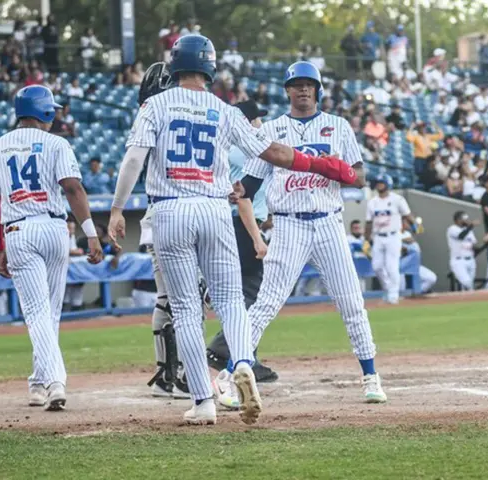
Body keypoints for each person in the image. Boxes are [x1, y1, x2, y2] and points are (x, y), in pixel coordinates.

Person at [107, 39, 354, 426]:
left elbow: (134, 158)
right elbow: (274, 153)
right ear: (210, 68)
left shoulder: (155, 105)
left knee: (187, 309)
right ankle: (241, 363)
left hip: (169, 209)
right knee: (231, 301)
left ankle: (203, 402)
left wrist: (118, 209)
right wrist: (320, 165)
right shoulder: (224, 110)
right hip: (214, 209)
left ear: (174, 66)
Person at [215, 60, 384, 410]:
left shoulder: (337, 126)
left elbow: (361, 176)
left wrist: (343, 173)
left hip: (328, 222)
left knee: (351, 301)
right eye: (297, 85)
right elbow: (250, 183)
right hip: (289, 223)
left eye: (309, 84)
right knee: (266, 304)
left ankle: (370, 376)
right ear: (287, 90)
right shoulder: (274, 128)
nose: (303, 90)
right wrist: (232, 190)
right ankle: (229, 375)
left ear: (318, 90)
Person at [0, 85, 104, 411]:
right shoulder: (57, 143)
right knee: (50, 312)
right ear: (45, 111)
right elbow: (73, 189)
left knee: (37, 314)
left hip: (18, 229)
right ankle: (40, 382)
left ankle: (53, 381)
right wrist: (90, 233)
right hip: (54, 228)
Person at [206, 99, 279, 389]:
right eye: (256, 119)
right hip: (242, 225)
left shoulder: (232, 150)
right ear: (246, 121)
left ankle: (244, 355)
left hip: (241, 223)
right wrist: (257, 238)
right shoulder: (243, 151)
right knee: (250, 293)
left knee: (245, 293)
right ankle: (228, 350)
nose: (260, 123)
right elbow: (244, 199)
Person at [365, 175, 416, 304]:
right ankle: (387, 288)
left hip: (393, 235)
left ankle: (393, 295)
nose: (379, 185)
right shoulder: (372, 202)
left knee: (391, 266)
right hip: (378, 236)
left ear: (388, 183)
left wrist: (415, 226)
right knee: (376, 266)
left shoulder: (397, 199)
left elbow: (407, 215)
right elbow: (369, 222)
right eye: (378, 182)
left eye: (382, 182)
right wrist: (366, 240)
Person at [447, 211, 488, 290]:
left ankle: (464, 300)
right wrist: (472, 225)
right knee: (467, 282)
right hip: (458, 261)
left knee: (469, 286)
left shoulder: (469, 231)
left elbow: (474, 245)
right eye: (464, 219)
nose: (467, 220)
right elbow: (461, 236)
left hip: (470, 260)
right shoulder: (452, 229)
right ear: (458, 220)